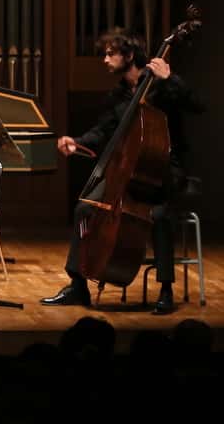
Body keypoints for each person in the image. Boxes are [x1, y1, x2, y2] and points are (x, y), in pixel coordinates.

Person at [41, 28, 204, 315]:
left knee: (159, 215)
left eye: (109, 53)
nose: (104, 59)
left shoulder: (161, 85)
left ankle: (165, 289)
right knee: (83, 210)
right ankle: (78, 284)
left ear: (129, 55)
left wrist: (171, 79)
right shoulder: (117, 96)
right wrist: (76, 142)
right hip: (131, 173)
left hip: (165, 171)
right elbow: (104, 131)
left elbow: (196, 106)